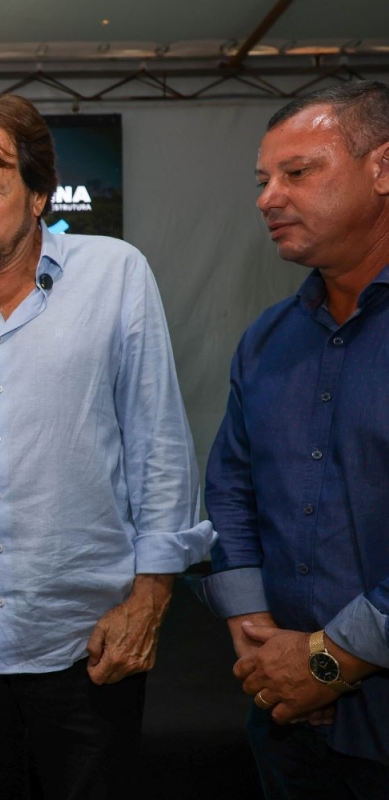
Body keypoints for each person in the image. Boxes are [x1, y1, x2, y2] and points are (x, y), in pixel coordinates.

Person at [0, 95, 214, 800]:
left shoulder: (116, 275)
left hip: (89, 639)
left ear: (38, 196)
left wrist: (151, 600)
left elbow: (158, 444)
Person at [203, 80, 389, 797]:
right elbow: (231, 489)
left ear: (382, 168)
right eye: (263, 180)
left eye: (297, 172)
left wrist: (329, 660)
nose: (267, 198)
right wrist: (257, 636)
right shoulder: (267, 340)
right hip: (284, 720)